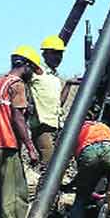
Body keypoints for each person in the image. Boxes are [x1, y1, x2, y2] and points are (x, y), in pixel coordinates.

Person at [0, 45, 42, 218]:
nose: (31, 75)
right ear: (25, 66)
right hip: (7, 142)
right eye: (32, 70)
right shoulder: (17, 84)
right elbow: (17, 118)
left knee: (1, 191)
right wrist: (31, 147)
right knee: (15, 192)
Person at [27, 35, 66, 167]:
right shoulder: (36, 71)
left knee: (56, 164)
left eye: (60, 54)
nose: (58, 57)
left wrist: (70, 85)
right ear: (45, 53)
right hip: (41, 127)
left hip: (55, 127)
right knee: (49, 164)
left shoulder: (54, 77)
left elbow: (58, 103)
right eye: (55, 53)